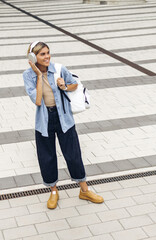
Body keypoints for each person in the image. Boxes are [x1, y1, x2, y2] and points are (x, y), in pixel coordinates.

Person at [23, 41, 104, 209]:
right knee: (47, 157)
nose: (47, 57)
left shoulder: (59, 68)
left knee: (73, 154)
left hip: (64, 118)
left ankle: (84, 190)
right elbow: (37, 101)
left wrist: (64, 86)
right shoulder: (28, 75)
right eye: (42, 54)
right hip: (44, 121)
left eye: (48, 53)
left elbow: (75, 84)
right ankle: (53, 191)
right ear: (33, 57)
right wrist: (39, 76)